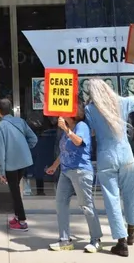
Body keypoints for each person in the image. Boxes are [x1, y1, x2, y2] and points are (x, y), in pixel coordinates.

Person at [84, 65, 134, 257]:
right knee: (130, 194)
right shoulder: (121, 102)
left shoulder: (90, 109)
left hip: (106, 156)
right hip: (126, 154)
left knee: (112, 199)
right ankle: (131, 230)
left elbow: (92, 132)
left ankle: (121, 242)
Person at [45, 107, 103, 253]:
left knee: (86, 205)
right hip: (66, 171)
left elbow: (78, 142)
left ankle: (96, 239)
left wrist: (66, 130)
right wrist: (54, 166)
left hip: (80, 171)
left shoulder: (81, 126)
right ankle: (64, 240)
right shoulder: (68, 130)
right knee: (61, 204)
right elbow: (64, 151)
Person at [0, 98, 38, 232]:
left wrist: (1, 171)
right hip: (23, 161)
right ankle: (18, 216)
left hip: (10, 164)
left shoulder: (0, 126)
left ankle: (22, 221)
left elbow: (0, 151)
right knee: (16, 189)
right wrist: (24, 149)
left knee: (15, 192)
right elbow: (34, 139)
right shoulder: (20, 121)